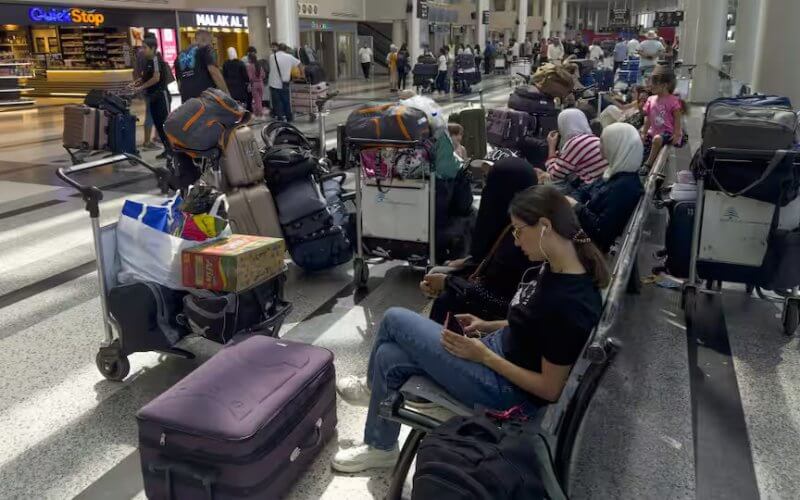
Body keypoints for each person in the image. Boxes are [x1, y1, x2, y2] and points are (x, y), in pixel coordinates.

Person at [331, 184, 608, 472]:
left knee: (393, 318)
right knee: (388, 357)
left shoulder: (568, 303)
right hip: (497, 356)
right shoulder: (558, 266)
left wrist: (484, 356)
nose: (515, 241)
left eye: (518, 230)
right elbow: (535, 327)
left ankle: (372, 390)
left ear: (545, 226)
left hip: (506, 392)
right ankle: (381, 446)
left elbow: (549, 389)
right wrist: (489, 325)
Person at [422, 158, 538, 323]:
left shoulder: (522, 239)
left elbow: (506, 303)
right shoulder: (511, 225)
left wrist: (449, 282)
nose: (484, 187)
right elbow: (487, 261)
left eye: (488, 181)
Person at [567, 123, 644, 252]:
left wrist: (576, 207)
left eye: (603, 141)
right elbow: (585, 190)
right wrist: (572, 201)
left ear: (616, 147)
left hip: (589, 249)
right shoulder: (614, 172)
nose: (598, 146)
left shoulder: (624, 188)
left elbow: (601, 233)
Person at [541, 108, 610, 192]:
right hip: (604, 184)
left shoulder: (575, 143)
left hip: (593, 189)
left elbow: (555, 175)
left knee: (549, 184)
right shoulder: (592, 138)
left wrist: (551, 146)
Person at [134, 36, 171, 160]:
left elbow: (156, 78)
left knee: (164, 124)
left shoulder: (155, 59)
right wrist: (136, 83)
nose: (142, 50)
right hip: (152, 97)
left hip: (161, 96)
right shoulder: (148, 60)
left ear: (153, 48)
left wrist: (141, 87)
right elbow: (146, 77)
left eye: (145, 47)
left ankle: (172, 150)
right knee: (158, 124)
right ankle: (167, 150)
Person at [641, 69, 687, 170]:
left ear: (665, 85)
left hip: (667, 133)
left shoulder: (673, 101)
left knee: (657, 139)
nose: (650, 85)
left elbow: (677, 118)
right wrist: (644, 132)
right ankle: (641, 163)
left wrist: (677, 134)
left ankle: (648, 164)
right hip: (653, 132)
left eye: (654, 83)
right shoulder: (650, 99)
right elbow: (648, 118)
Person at [175, 30, 228, 103]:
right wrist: (227, 94)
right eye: (211, 42)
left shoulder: (179, 56)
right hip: (205, 99)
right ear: (205, 39)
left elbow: (179, 84)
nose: (211, 44)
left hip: (186, 100)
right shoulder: (205, 49)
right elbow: (214, 72)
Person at [134, 36, 157, 150]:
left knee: (153, 114)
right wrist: (141, 86)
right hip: (154, 91)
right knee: (152, 115)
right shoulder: (153, 57)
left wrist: (139, 85)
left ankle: (152, 139)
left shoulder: (140, 55)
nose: (143, 49)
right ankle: (148, 141)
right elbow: (156, 77)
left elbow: (137, 72)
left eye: (144, 47)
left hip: (147, 90)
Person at [268, 43, 301, 122]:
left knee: (277, 102)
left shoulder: (272, 57)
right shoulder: (289, 57)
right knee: (286, 101)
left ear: (278, 48)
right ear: (286, 49)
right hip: (284, 83)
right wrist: (301, 75)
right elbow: (299, 64)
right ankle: (289, 117)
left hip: (273, 83)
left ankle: (280, 117)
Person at [245, 47, 265, 117]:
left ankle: (259, 113)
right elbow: (263, 75)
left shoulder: (249, 66)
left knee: (256, 100)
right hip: (261, 83)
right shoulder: (259, 65)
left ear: (250, 59)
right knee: (260, 99)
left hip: (254, 84)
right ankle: (258, 112)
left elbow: (250, 77)